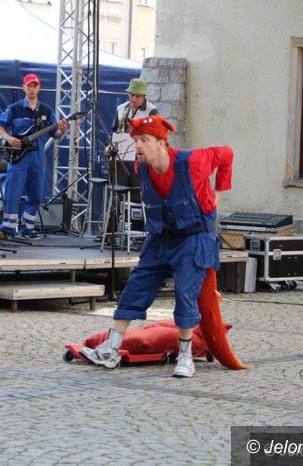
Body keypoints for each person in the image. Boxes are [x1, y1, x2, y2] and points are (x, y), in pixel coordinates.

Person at [80, 115, 234, 378]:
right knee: (136, 285)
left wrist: (219, 192)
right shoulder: (141, 168)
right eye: (136, 140)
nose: (137, 145)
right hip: (161, 237)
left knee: (185, 294)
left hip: (194, 238)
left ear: (161, 143)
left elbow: (227, 153)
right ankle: (111, 350)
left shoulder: (192, 161)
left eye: (144, 140)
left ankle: (185, 357)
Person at [0, 73, 68, 239]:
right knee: (12, 191)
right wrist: (9, 138)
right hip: (18, 156)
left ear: (39, 87)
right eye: (29, 86)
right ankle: (7, 228)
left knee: (36, 192)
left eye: (35, 85)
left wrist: (63, 130)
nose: (32, 89)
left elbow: (55, 135)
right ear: (23, 87)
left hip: (38, 156)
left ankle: (27, 228)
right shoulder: (14, 108)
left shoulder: (47, 111)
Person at [106, 78, 158, 201]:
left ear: (144, 96)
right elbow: (114, 130)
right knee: (118, 193)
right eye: (131, 95)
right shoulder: (121, 108)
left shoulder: (152, 110)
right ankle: (117, 212)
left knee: (138, 192)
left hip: (140, 159)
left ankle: (137, 213)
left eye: (137, 96)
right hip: (121, 158)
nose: (133, 99)